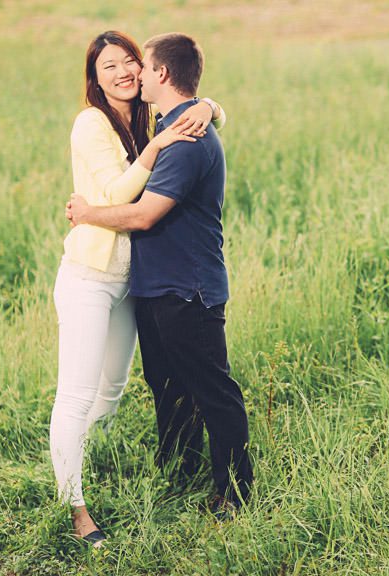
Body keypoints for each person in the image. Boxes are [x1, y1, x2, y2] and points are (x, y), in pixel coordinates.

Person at [67, 32, 254, 522]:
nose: (134, 74)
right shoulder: (163, 124)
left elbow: (145, 215)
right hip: (154, 286)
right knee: (169, 387)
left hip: (188, 286)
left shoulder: (185, 140)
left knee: (212, 389)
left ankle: (235, 492)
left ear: (161, 74)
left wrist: (87, 214)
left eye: (140, 65)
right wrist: (210, 105)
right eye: (114, 66)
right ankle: (177, 473)